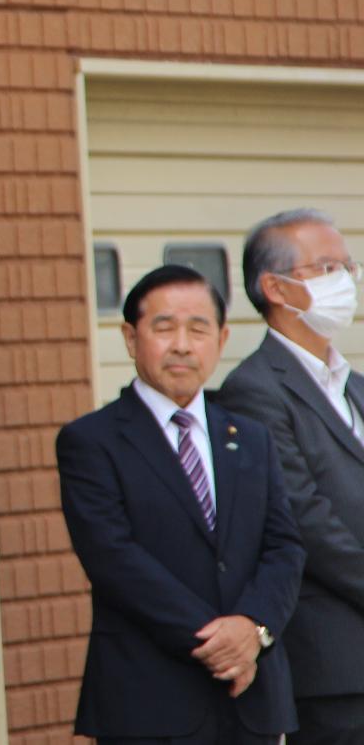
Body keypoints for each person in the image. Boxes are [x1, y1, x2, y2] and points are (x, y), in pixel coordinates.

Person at [56, 263, 303, 744]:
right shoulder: (92, 441)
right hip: (148, 701)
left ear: (222, 337)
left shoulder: (250, 437)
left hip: (251, 702)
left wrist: (254, 630)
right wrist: (221, 645)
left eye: (198, 328)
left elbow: (284, 546)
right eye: (163, 328)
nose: (183, 345)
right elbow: (113, 559)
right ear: (131, 338)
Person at [216, 209, 364, 742]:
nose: (344, 281)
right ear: (274, 287)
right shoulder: (255, 389)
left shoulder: (354, 385)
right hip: (337, 662)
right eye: (327, 267)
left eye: (347, 266)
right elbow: (304, 517)